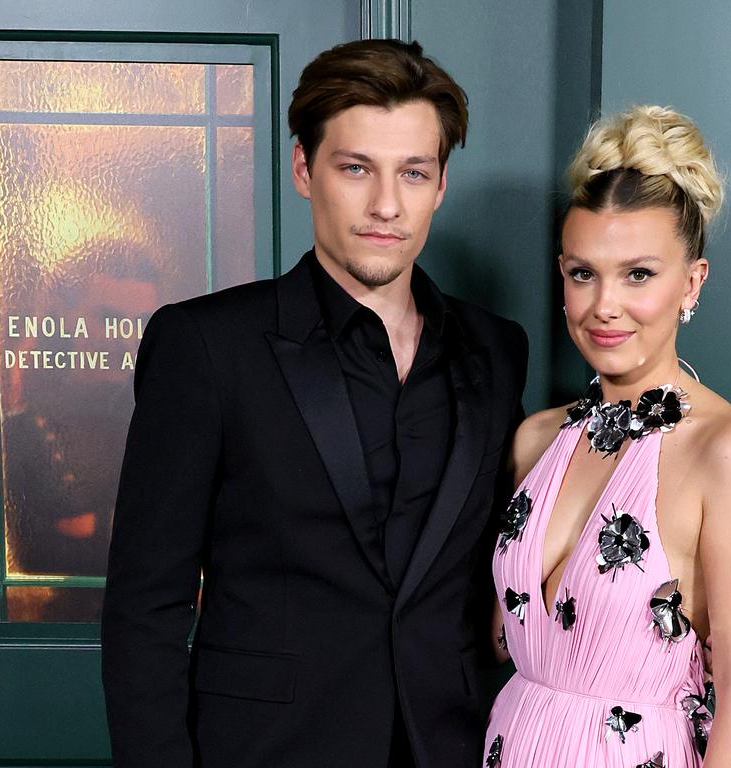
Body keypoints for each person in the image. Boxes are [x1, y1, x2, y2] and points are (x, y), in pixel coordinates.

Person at [101, 39, 528, 768]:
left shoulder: (496, 350)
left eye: (413, 173)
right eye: (355, 168)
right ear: (304, 168)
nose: (386, 204)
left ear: (440, 185)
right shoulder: (206, 347)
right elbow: (146, 606)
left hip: (450, 745)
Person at [483, 106, 731, 767]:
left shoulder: (728, 455)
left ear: (692, 282)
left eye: (639, 274)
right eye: (582, 272)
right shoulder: (534, 439)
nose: (604, 306)